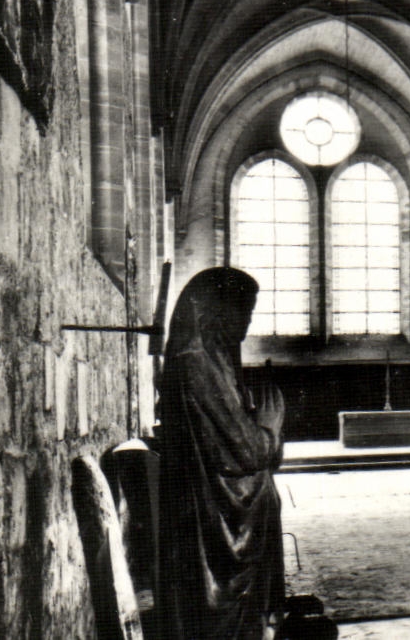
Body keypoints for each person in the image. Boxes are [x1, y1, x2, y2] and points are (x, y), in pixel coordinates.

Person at [158, 267, 287, 640]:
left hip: (213, 510)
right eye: (244, 312)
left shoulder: (210, 360)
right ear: (219, 310)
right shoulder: (198, 363)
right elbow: (244, 452)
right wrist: (270, 427)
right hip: (212, 523)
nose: (247, 324)